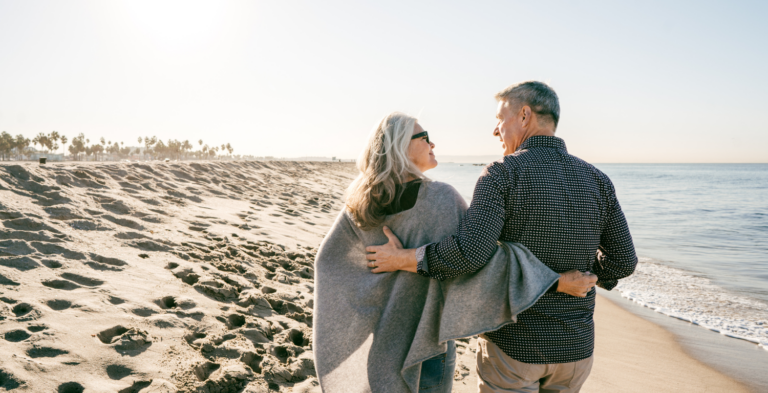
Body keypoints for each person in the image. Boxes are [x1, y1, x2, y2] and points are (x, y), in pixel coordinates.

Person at [366, 82, 638, 393]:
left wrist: (405, 258)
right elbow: (623, 261)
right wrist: (588, 277)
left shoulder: (502, 173)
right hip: (575, 350)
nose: (496, 130)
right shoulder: (598, 180)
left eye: (500, 118)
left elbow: (470, 254)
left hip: (515, 347)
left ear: (524, 116)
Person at [313, 112, 596, 393]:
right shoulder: (440, 199)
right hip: (426, 344)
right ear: (399, 145)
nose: (432, 144)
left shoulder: (360, 203)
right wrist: (556, 280)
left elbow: (329, 264)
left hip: (382, 341)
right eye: (424, 138)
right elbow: (481, 261)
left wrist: (381, 283)